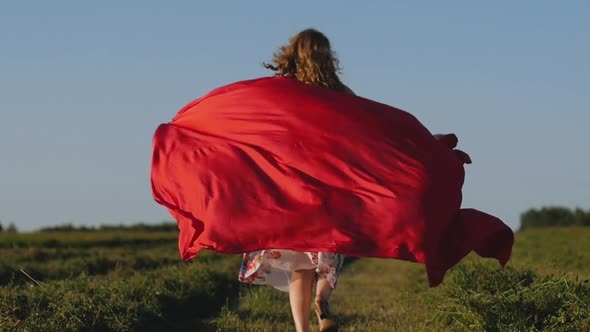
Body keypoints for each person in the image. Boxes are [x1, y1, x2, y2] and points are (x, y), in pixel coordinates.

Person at [238, 28, 351, 332]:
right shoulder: (340, 93)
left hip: (289, 189)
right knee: (330, 252)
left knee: (300, 265)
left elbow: (259, 128)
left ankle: (302, 330)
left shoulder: (281, 90)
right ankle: (322, 300)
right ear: (327, 56)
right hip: (327, 187)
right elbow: (366, 133)